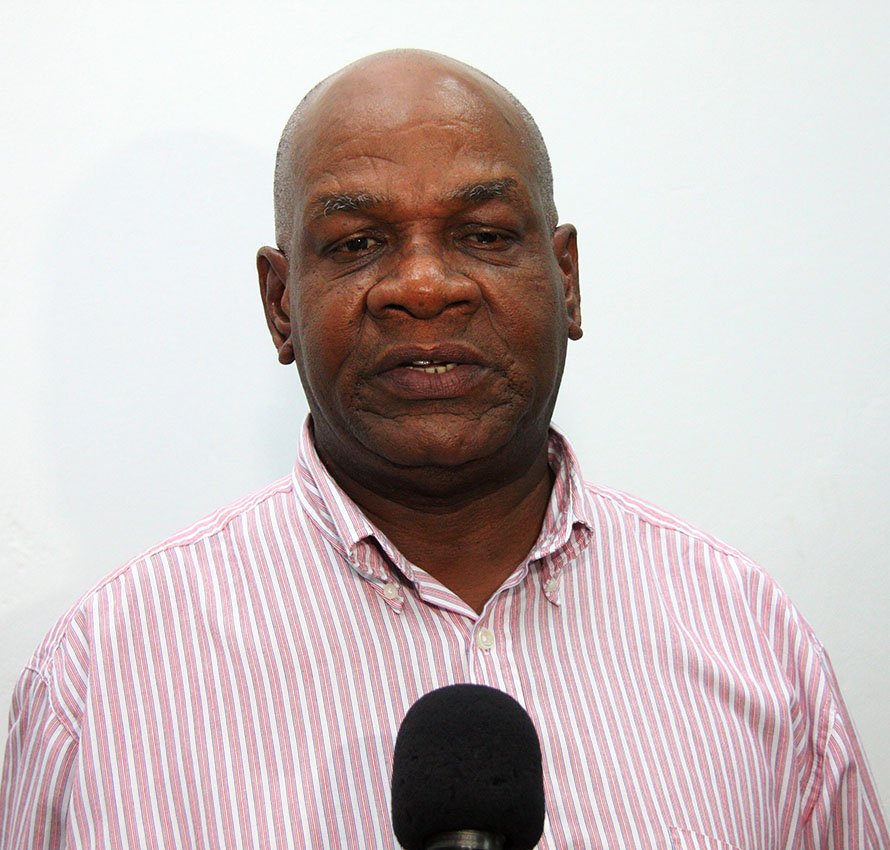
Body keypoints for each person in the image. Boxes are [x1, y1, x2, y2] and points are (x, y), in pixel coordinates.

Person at [1, 49, 886, 849]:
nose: (424, 287)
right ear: (280, 303)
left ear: (567, 279)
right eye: (358, 243)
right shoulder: (104, 679)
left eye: (485, 235)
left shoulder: (752, 637)